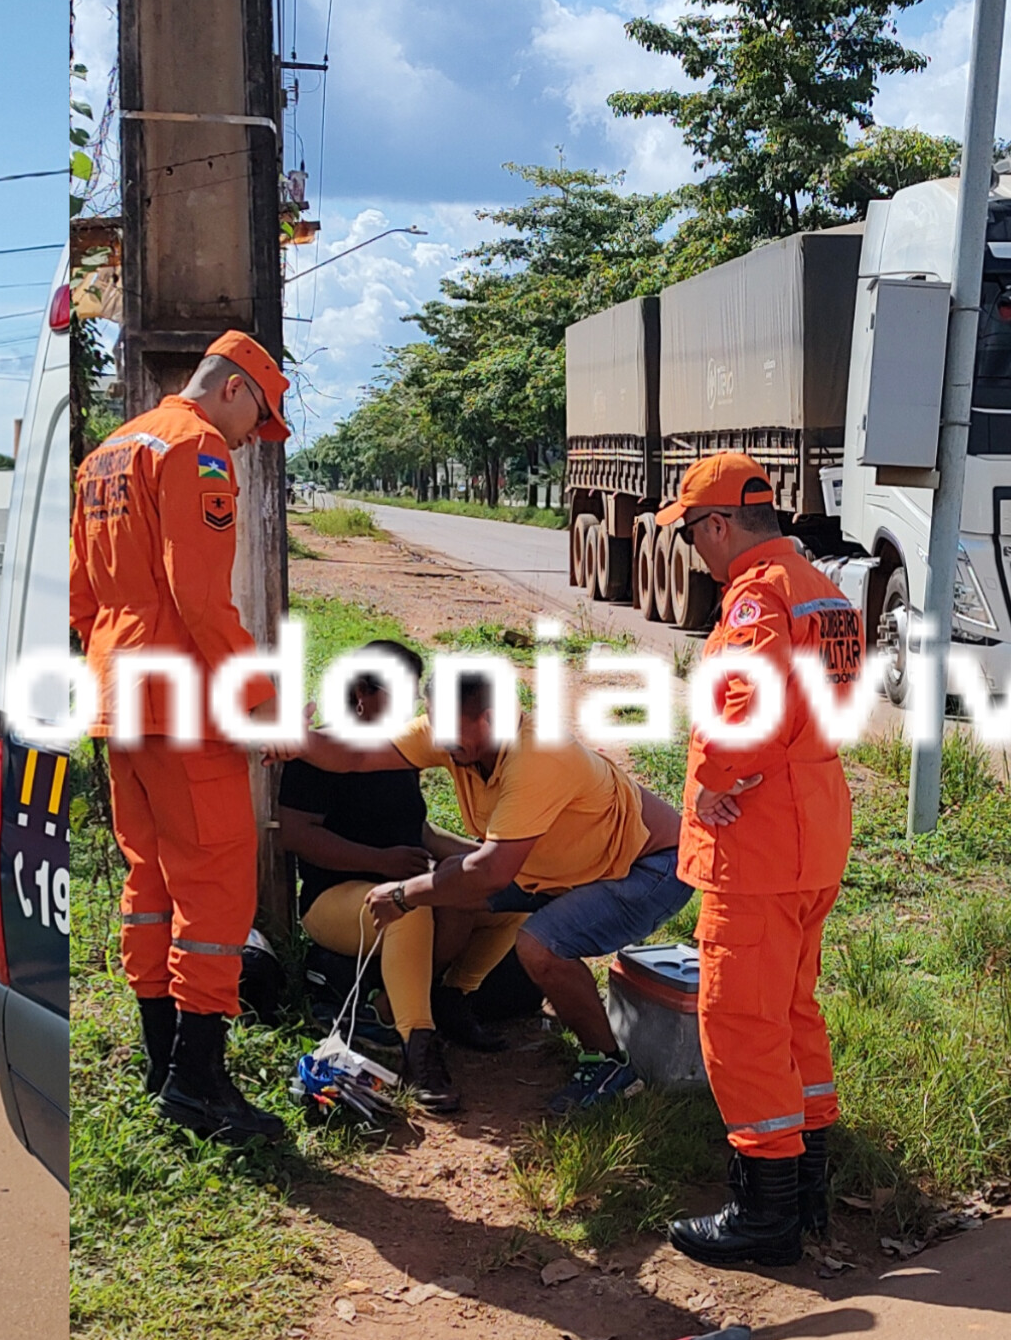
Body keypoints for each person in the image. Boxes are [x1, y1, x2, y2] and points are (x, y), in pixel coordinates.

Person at [69, 328, 292, 1141]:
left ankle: (162, 1066)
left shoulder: (106, 454)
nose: (249, 441)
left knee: (148, 882)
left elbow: (82, 597)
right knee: (216, 888)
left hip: (116, 697)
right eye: (256, 419)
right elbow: (199, 598)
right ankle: (199, 1084)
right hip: (181, 704)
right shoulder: (197, 450)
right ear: (233, 388)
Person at [292, 669, 693, 1113]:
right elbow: (357, 756)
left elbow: (492, 872)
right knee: (451, 886)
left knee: (541, 945)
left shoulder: (540, 757)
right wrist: (296, 739)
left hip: (651, 867)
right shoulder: (452, 728)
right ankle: (447, 999)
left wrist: (405, 893)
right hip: (574, 864)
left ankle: (611, 1066)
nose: (441, 741)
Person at [660, 452, 863, 1269]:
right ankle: (809, 1185)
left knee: (742, 1020)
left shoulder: (754, 598)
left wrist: (713, 780)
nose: (694, 552)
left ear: (717, 525)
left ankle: (765, 1217)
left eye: (691, 534)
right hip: (814, 830)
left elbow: (745, 703)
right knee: (791, 1010)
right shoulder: (823, 590)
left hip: (759, 841)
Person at [278, 642, 520, 1113]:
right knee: (407, 907)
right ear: (363, 694)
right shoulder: (321, 753)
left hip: (393, 885)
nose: (412, 707)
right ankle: (419, 1051)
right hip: (334, 899)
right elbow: (295, 834)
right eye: (402, 692)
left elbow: (422, 832)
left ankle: (446, 1000)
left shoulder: (399, 755)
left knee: (508, 898)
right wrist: (382, 861)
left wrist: (492, 858)